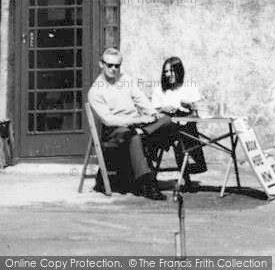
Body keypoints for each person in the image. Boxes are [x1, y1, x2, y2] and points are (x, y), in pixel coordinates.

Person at [88, 48, 180, 200]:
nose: (113, 69)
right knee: (132, 136)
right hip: (115, 131)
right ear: (101, 64)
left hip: (137, 126)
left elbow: (141, 100)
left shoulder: (126, 80)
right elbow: (108, 120)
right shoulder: (95, 91)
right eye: (109, 65)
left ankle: (141, 135)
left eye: (117, 66)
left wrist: (153, 113)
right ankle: (148, 183)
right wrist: (137, 121)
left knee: (167, 121)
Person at [152, 57, 208, 192]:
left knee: (182, 135)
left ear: (179, 71)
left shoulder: (189, 86)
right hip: (165, 129)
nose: (168, 74)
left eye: (172, 71)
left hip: (187, 127)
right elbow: (153, 110)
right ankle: (186, 177)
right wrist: (163, 109)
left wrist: (190, 105)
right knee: (178, 137)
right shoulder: (160, 89)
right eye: (166, 71)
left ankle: (187, 171)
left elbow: (198, 110)